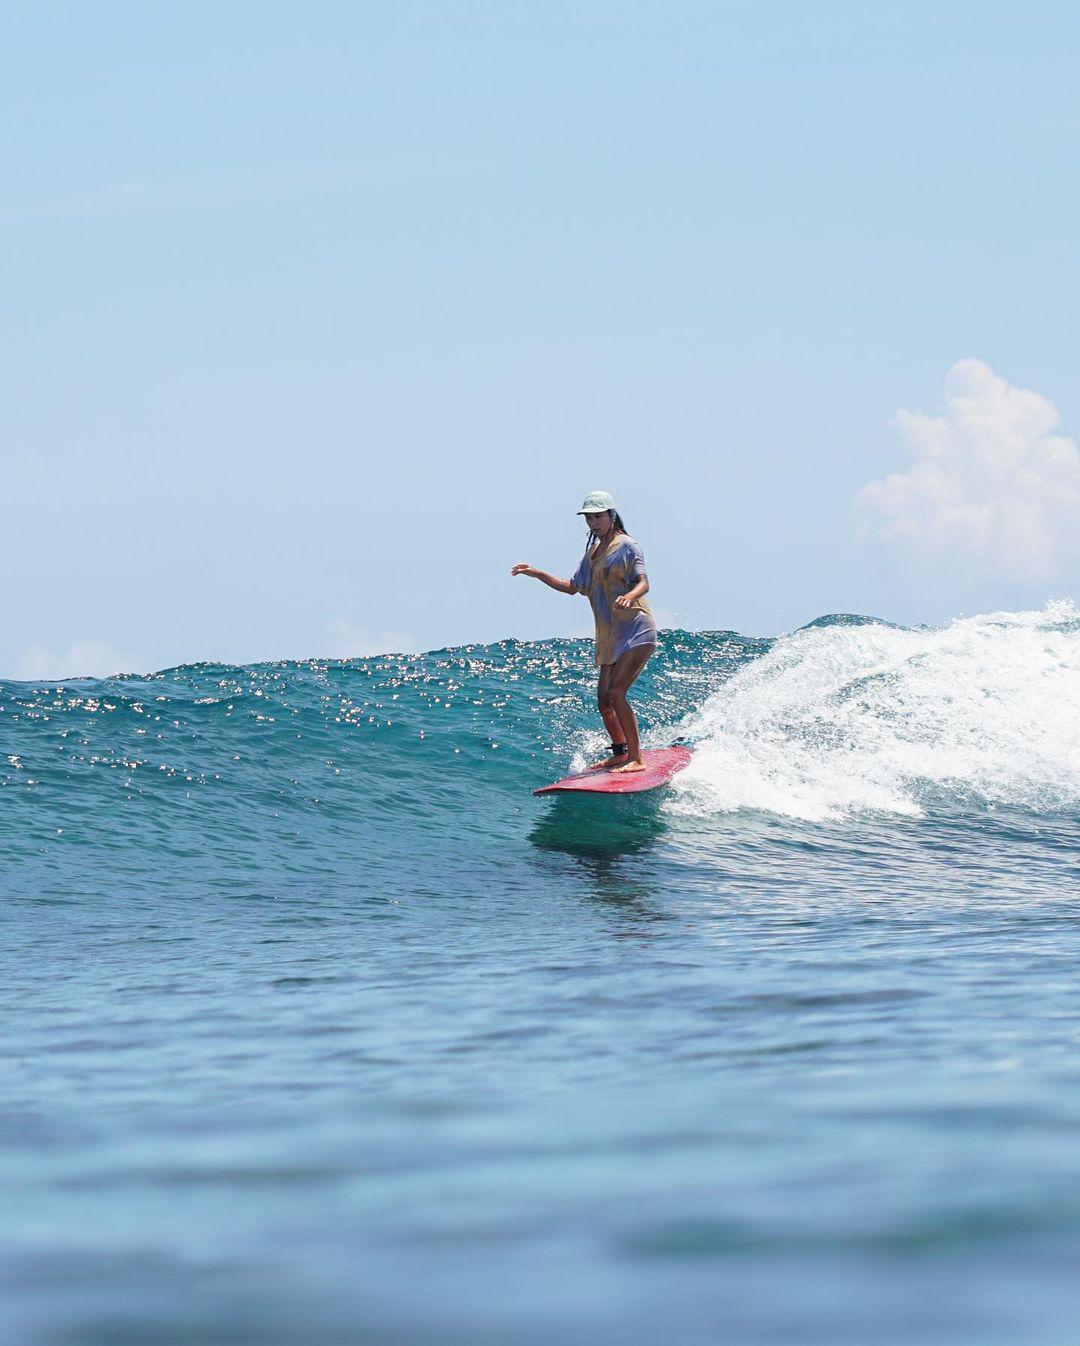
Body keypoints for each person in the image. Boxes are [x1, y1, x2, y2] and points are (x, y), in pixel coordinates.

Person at [512, 491, 657, 772]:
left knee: (617, 693)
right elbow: (572, 587)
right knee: (604, 701)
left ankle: (636, 758)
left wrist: (629, 596)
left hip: (637, 629)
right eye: (589, 518)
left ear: (611, 515)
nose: (593, 523)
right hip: (610, 637)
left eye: (598, 516)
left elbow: (644, 582)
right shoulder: (593, 554)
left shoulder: (627, 546)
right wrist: (537, 574)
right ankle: (620, 752)